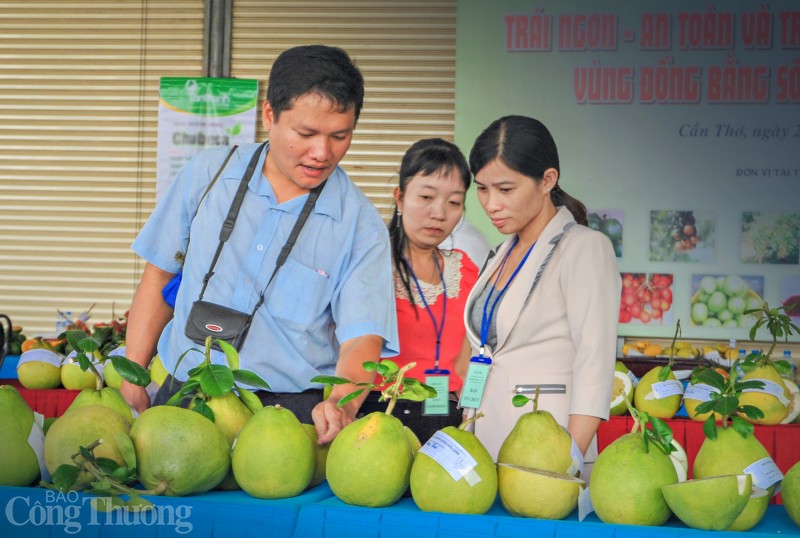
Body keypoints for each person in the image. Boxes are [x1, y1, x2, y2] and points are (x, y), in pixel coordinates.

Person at [120, 45, 399, 444]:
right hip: (183, 397)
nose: (322, 153)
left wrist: (343, 402)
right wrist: (134, 371)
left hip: (287, 417)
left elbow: (362, 336)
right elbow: (159, 275)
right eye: (306, 134)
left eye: (340, 135)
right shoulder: (207, 175)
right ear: (269, 115)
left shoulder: (361, 225)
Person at [456, 115, 621, 477]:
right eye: (482, 189)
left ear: (547, 180)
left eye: (505, 189)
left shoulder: (584, 248)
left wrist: (567, 461)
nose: (491, 204)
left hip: (546, 452)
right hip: (481, 444)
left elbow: (595, 362)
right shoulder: (499, 253)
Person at [357, 138, 478, 445]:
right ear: (399, 197)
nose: (439, 213)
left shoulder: (465, 271)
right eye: (426, 196)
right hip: (381, 414)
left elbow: (467, 357)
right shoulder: (370, 265)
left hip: (447, 416)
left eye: (453, 202)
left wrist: (471, 409)